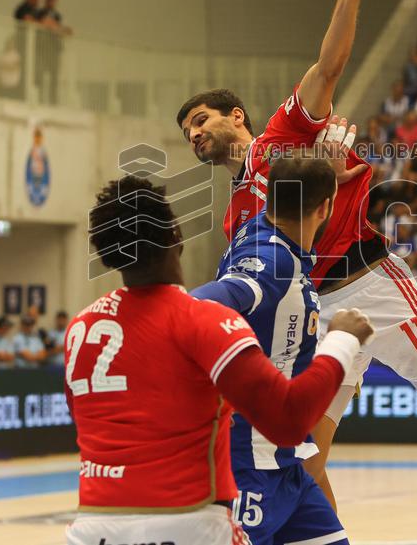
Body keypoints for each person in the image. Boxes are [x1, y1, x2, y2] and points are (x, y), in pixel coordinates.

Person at [176, 0, 417, 511]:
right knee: (308, 457)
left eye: (200, 121)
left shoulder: (285, 132)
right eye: (186, 133)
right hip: (316, 312)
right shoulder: (234, 217)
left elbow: (329, 65)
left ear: (237, 117)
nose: (194, 135)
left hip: (373, 281)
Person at [65, 175, 370, 544]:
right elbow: (289, 419)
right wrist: (341, 341)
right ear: (176, 235)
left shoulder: (81, 328)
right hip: (184, 519)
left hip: (93, 522)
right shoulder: (203, 319)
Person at [189, 155, 351, 544]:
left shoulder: (258, 229)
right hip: (248, 460)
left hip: (287, 458)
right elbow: (202, 303)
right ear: (325, 207)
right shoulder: (272, 261)